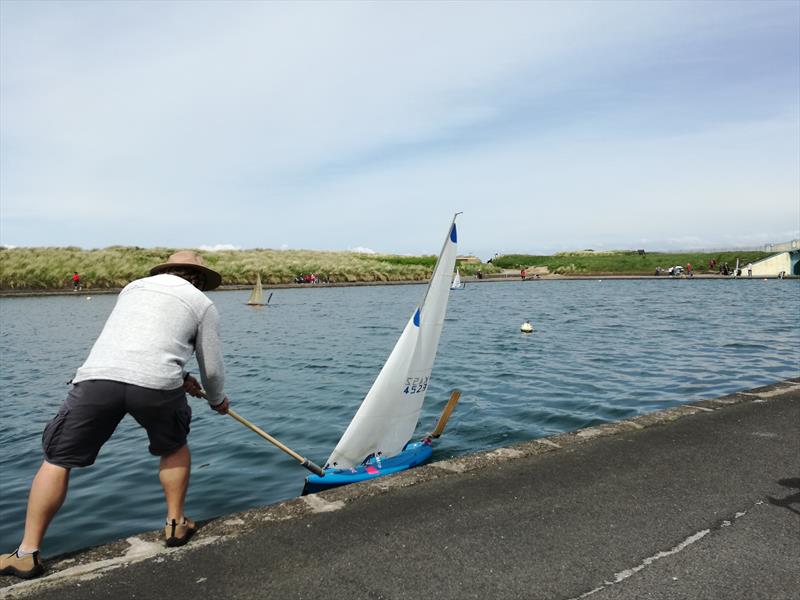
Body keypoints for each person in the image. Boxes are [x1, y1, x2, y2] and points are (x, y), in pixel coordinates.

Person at [0, 251, 231, 580]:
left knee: (56, 460)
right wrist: (216, 399)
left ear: (167, 270)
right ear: (201, 279)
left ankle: (26, 554)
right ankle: (176, 526)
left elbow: (132, 342)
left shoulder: (134, 288)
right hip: (157, 384)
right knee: (173, 445)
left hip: (98, 377)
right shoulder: (200, 302)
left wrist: (182, 378)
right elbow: (212, 365)